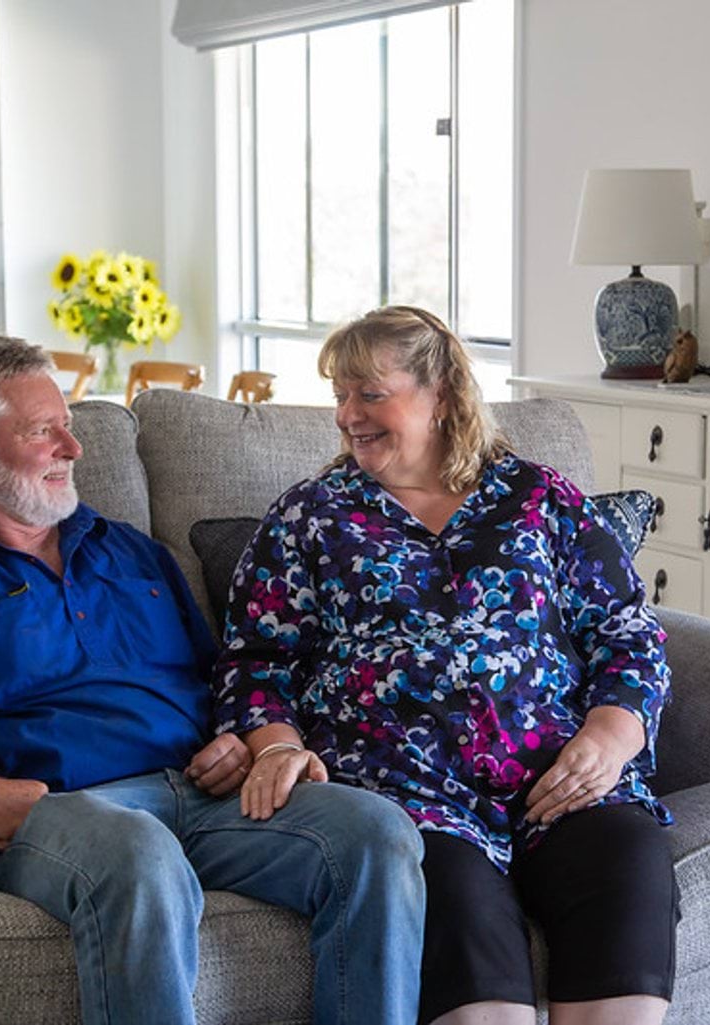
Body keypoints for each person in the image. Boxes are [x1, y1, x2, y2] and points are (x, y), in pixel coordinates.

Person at [0, 336, 424, 1025]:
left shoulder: (128, 549)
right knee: (138, 850)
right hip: (56, 818)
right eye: (44, 430)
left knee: (376, 833)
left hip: (203, 797)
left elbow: (225, 673)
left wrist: (239, 738)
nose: (73, 447)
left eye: (67, 424)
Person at [213, 307, 678, 1025]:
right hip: (405, 796)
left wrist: (612, 737)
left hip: (560, 779)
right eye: (340, 395)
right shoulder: (312, 516)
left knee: (624, 860)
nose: (347, 415)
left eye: (370, 393)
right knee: (458, 920)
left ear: (442, 394)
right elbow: (255, 658)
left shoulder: (539, 499)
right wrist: (278, 746)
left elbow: (627, 632)